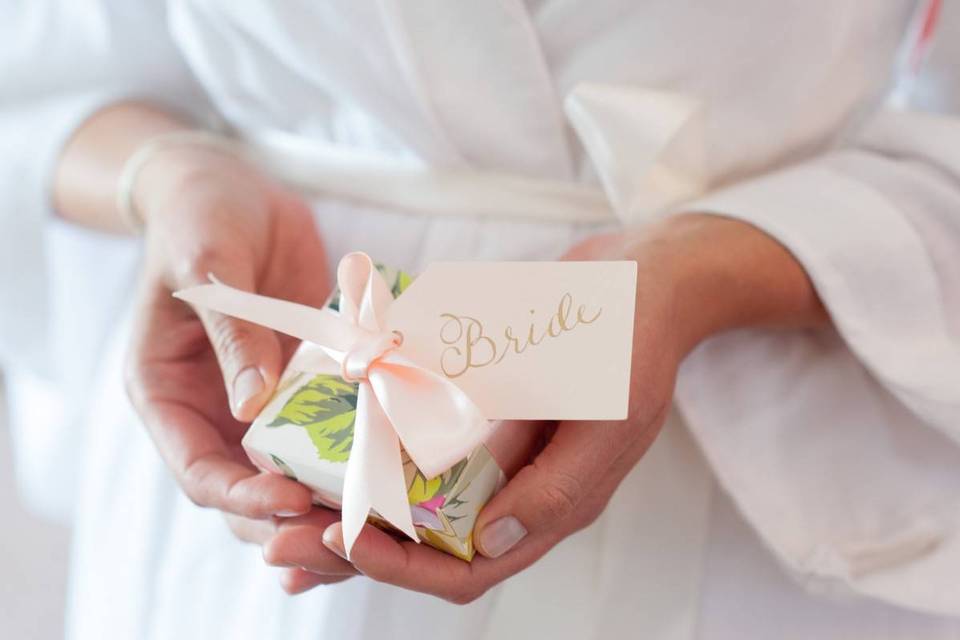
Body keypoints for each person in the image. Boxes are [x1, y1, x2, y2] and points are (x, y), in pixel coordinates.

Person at [2, 1, 960, 638]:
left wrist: (703, 271)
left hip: (771, 470)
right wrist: (165, 176)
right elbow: (43, 77)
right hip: (276, 372)